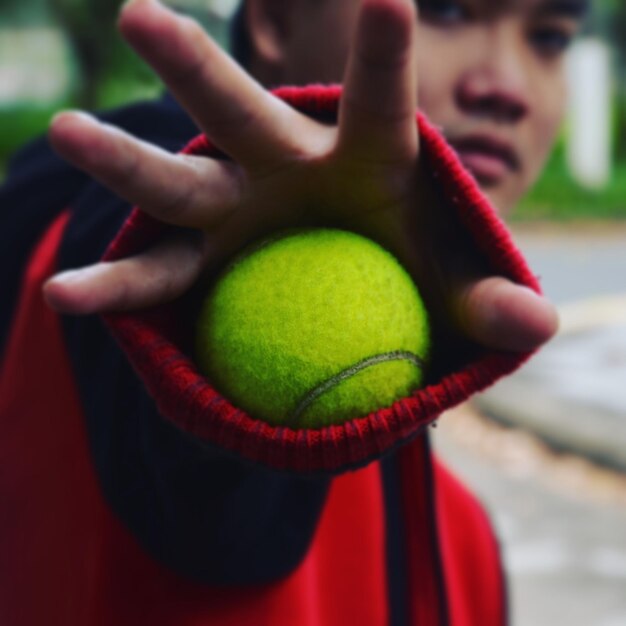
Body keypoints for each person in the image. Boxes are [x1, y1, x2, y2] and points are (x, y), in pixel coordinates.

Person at [0, 0, 588, 625]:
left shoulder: (466, 540)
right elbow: (175, 451)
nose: (506, 87)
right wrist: (214, 284)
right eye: (443, 11)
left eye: (549, 37)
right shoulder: (88, 223)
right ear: (275, 20)